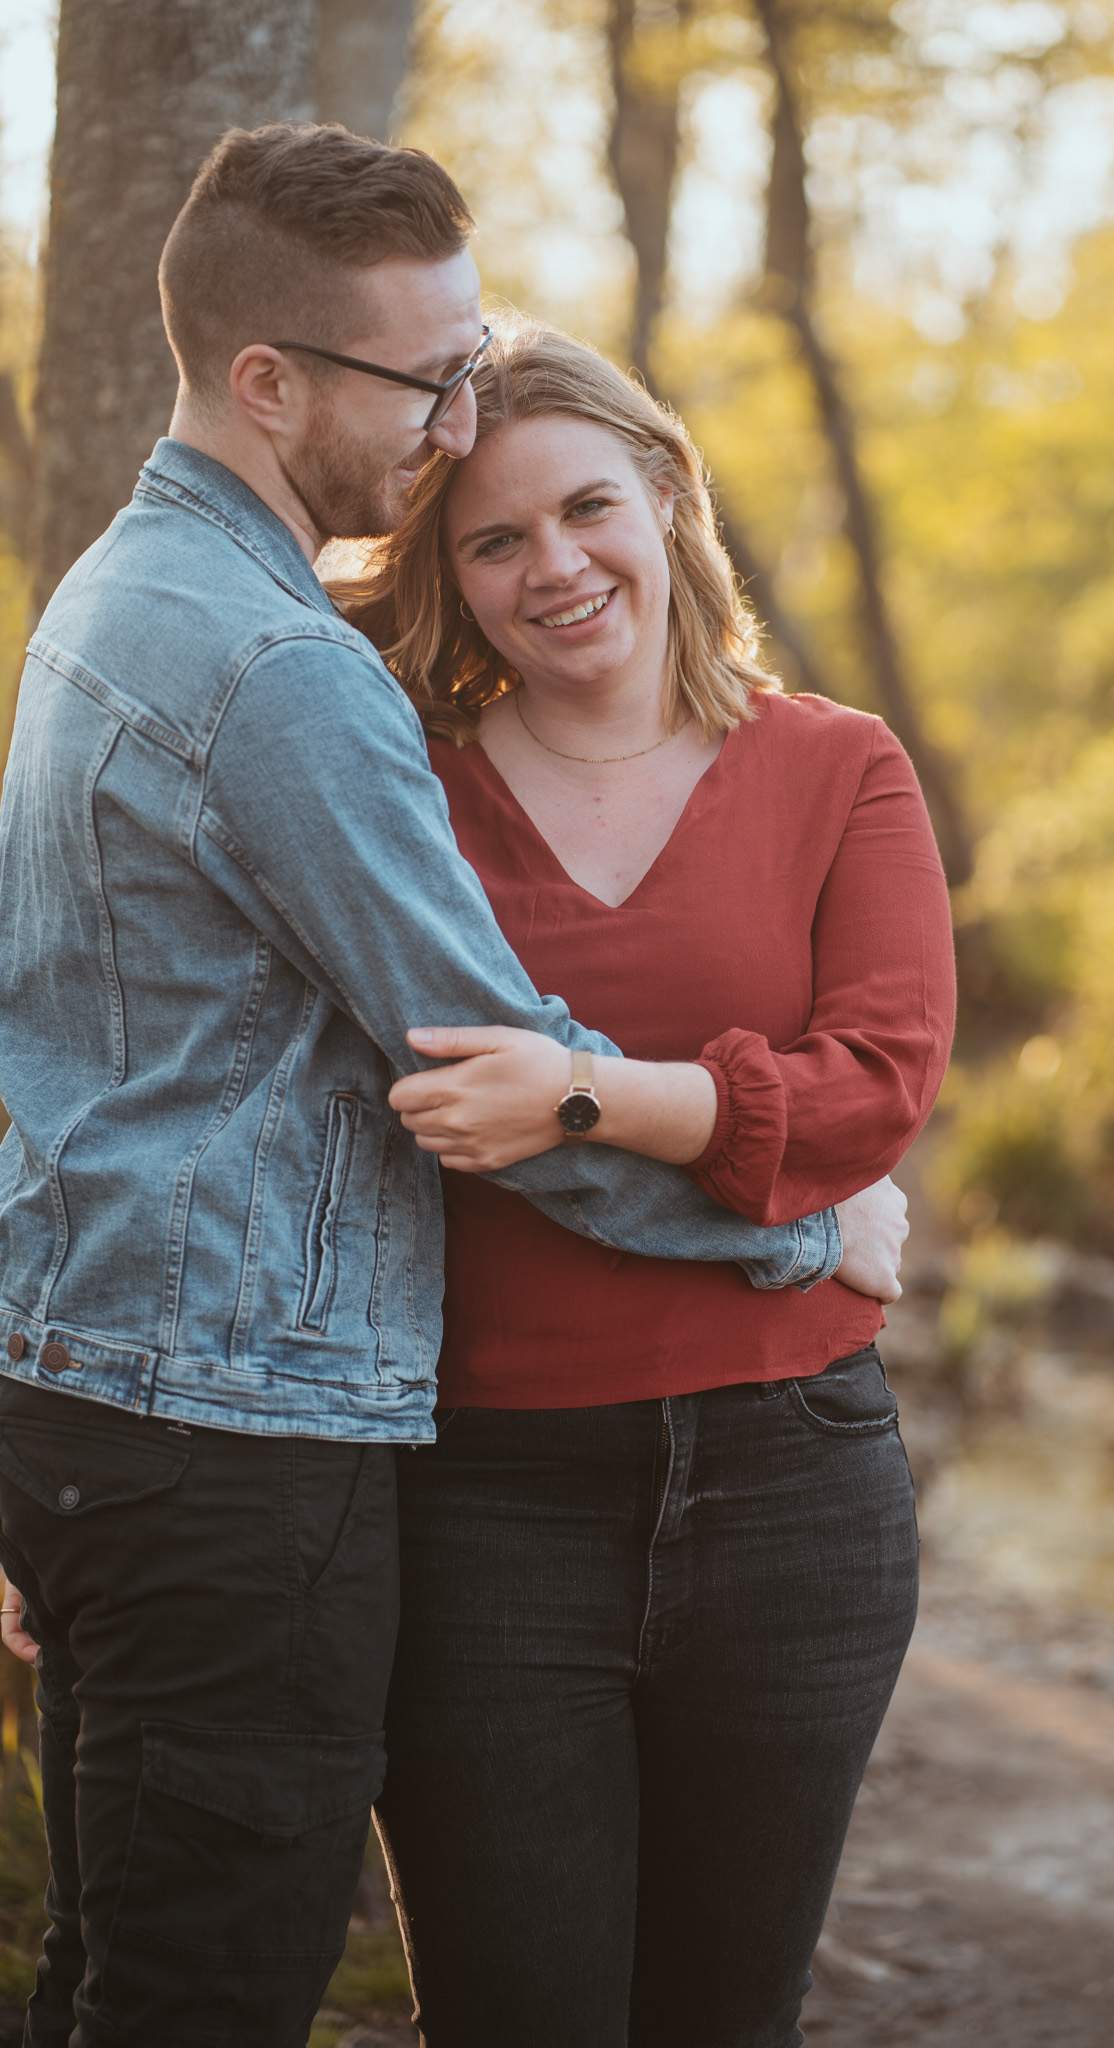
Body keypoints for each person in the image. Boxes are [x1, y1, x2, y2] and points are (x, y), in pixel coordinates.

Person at [0, 125, 906, 2048]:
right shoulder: (290, 678)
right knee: (207, 1989)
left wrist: (51, 1436)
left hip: (144, 1409)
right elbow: (479, 1067)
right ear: (269, 382)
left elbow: (65, 1052)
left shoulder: (113, 603)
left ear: (667, 501)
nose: (451, 425)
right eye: (430, 393)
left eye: (473, 366)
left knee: (134, 1976)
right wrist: (810, 1228)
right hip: (278, 1445)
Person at [334, 322, 957, 2046]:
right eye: (495, 539)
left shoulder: (839, 766)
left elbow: (877, 1090)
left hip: (793, 1488)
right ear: (450, 578)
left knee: (724, 2017)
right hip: (483, 1505)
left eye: (587, 507)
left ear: (667, 491)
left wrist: (587, 1099)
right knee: (513, 2013)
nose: (557, 568)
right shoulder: (404, 802)